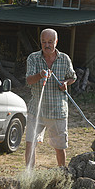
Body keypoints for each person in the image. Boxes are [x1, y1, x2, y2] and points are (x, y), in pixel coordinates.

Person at [25, 28, 76, 169]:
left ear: (56, 42)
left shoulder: (64, 58)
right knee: (30, 143)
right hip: (37, 110)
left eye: (50, 42)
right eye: (44, 42)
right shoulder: (33, 58)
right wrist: (39, 75)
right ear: (40, 42)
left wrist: (66, 83)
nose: (47, 45)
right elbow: (29, 80)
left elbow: (73, 77)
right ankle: (28, 175)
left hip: (57, 111)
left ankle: (61, 174)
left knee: (59, 147)